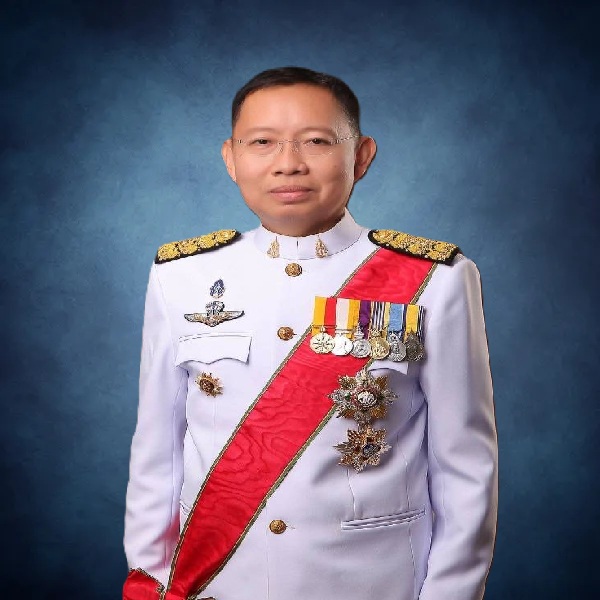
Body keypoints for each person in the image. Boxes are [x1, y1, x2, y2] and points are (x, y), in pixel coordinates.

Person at [123, 66, 497, 600]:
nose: (288, 163)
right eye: (263, 142)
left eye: (317, 141)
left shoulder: (435, 279)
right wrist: (150, 579)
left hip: (374, 582)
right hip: (218, 580)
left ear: (361, 156)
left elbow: (465, 467)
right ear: (230, 158)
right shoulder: (181, 276)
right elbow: (156, 454)